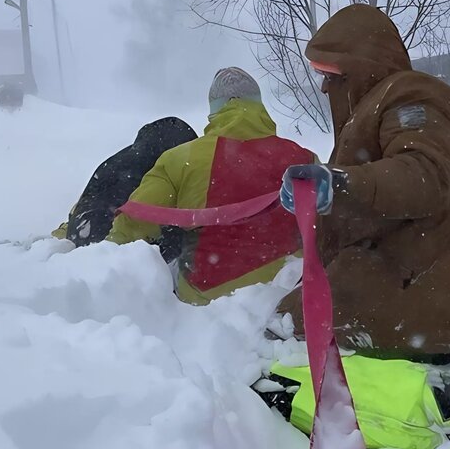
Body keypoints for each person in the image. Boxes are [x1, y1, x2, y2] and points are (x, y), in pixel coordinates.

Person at [267, 4, 450, 448]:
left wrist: (338, 184)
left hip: (413, 285)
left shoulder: (414, 95)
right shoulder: (385, 105)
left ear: (363, 67)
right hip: (403, 277)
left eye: (332, 73)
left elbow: (422, 175)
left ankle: (420, 407)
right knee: (288, 327)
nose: (324, 85)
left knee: (275, 354)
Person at [107, 68, 316, 304]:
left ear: (215, 110)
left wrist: (102, 255)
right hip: (288, 287)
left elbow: (136, 221)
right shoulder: (303, 158)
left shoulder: (181, 158)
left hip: (207, 297)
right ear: (259, 106)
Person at [52, 117, 197, 261]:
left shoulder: (119, 162)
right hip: (107, 254)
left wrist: (64, 234)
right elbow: (141, 221)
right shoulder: (156, 175)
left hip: (78, 234)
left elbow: (89, 200)